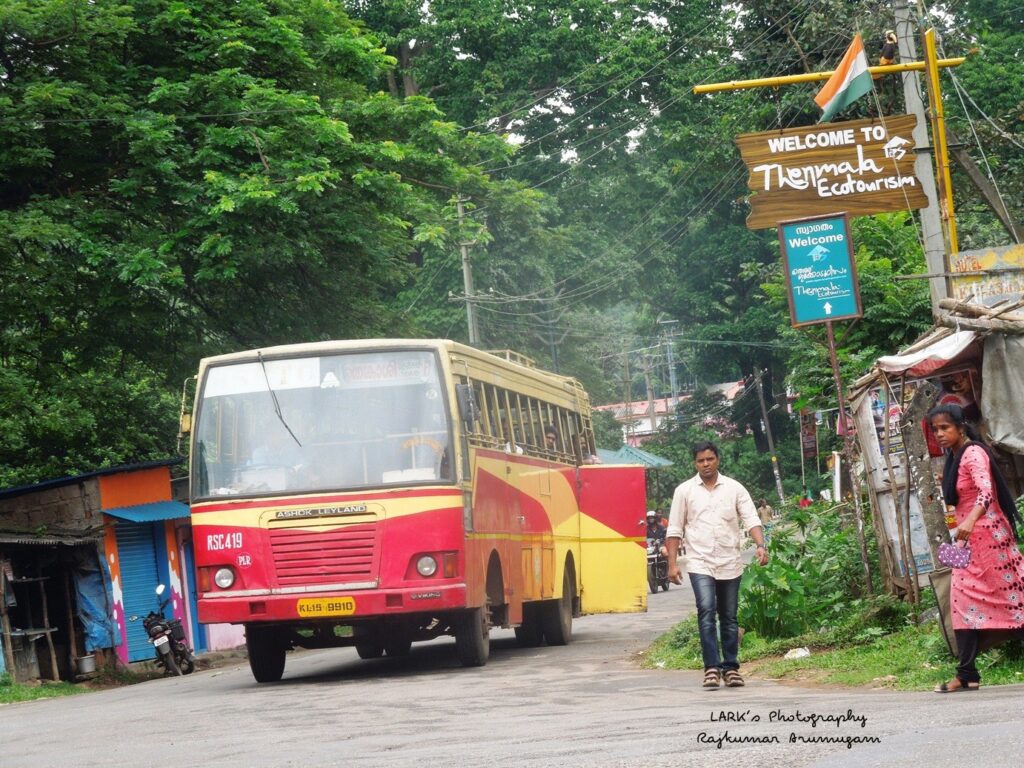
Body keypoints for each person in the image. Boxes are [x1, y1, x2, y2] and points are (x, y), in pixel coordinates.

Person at [928, 403, 1024, 693]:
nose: (939, 434)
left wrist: (970, 519)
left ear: (960, 428)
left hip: (990, 539)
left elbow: (986, 492)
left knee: (1013, 598)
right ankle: (967, 673)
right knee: (960, 601)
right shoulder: (954, 457)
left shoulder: (973, 453)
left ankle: (967, 672)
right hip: (967, 542)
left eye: (945, 427)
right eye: (935, 429)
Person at [666, 441, 768, 689]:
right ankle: (711, 668)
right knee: (706, 610)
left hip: (729, 561)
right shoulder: (684, 491)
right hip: (699, 562)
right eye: (701, 460)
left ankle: (730, 668)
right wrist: (672, 565)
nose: (706, 464)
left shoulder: (734, 488)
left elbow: (750, 518)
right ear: (695, 463)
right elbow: (675, 529)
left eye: (710, 459)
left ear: (717, 460)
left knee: (729, 616)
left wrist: (760, 545)